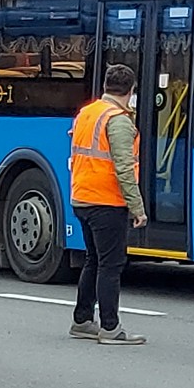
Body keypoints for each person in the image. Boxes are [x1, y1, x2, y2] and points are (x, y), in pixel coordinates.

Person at [68, 63, 148, 345]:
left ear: (106, 86)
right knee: (110, 265)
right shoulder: (118, 120)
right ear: (131, 90)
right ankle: (111, 328)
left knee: (93, 259)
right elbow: (124, 168)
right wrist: (137, 208)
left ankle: (83, 320)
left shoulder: (86, 113)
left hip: (82, 197)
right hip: (106, 201)